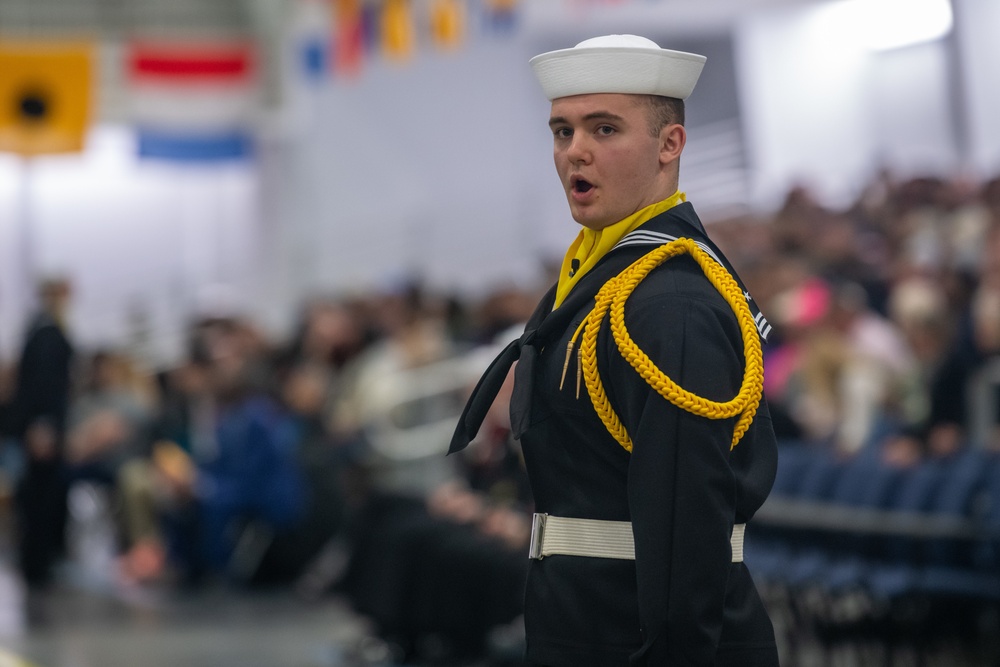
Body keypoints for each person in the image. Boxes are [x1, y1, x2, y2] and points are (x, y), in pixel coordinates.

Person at [450, 35, 779, 665]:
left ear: (669, 144)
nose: (576, 151)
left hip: (641, 636)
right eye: (562, 131)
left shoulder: (667, 305)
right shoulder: (602, 280)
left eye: (605, 129)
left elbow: (686, 514)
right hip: (587, 617)